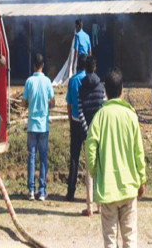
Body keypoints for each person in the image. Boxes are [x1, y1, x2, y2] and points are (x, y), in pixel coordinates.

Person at [85, 68, 147, 248]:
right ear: (122, 90)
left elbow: (90, 148)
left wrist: (96, 171)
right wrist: (141, 179)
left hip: (108, 191)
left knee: (110, 241)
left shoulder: (99, 117)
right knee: (130, 239)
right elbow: (139, 152)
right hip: (129, 189)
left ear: (105, 92)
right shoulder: (131, 116)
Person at [22, 53, 55, 201]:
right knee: (43, 159)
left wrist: (29, 103)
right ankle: (42, 191)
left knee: (31, 158)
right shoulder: (48, 82)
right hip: (43, 127)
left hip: (31, 126)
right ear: (43, 65)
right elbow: (52, 102)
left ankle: (31, 191)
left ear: (34, 65)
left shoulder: (29, 82)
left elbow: (24, 103)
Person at [77, 56, 105, 216]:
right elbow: (103, 111)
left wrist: (88, 132)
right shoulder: (101, 87)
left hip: (87, 135)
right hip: (100, 134)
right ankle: (100, 206)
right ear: (94, 68)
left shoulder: (81, 87)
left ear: (85, 69)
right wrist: (97, 130)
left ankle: (89, 207)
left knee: (89, 171)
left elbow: (80, 111)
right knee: (100, 170)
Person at [65, 54, 88, 202]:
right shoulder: (89, 79)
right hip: (88, 123)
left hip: (75, 121)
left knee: (74, 157)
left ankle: (71, 192)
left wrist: (70, 120)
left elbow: (69, 103)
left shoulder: (73, 81)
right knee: (91, 158)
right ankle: (91, 194)